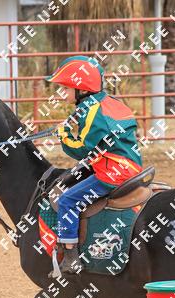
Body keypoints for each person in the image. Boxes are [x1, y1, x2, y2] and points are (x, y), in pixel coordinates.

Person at [45, 56, 143, 274]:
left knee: (67, 200)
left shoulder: (91, 110)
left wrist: (63, 135)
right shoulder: (106, 101)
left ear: (81, 88)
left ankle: (70, 256)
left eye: (66, 88)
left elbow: (82, 149)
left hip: (113, 171)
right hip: (131, 165)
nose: (63, 93)